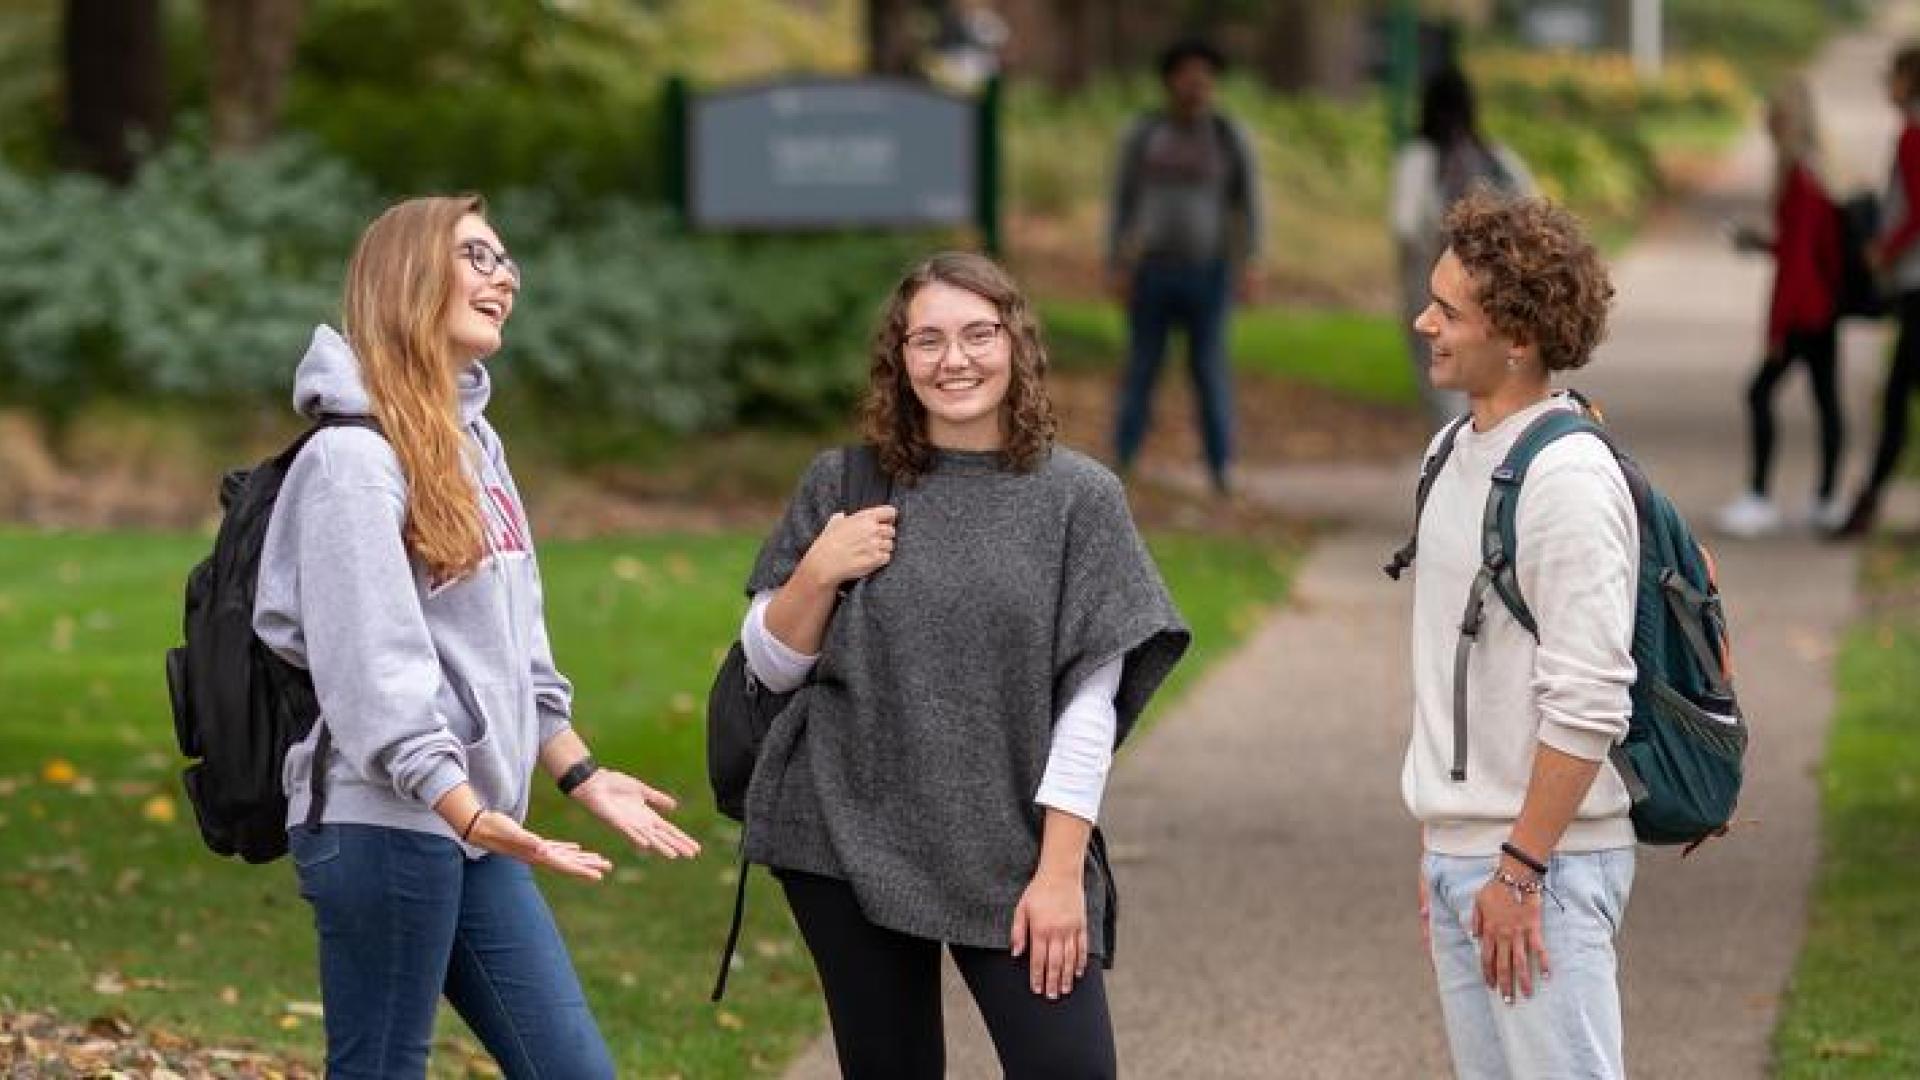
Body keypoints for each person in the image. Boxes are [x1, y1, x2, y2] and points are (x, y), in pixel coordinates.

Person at [253, 194, 702, 1078]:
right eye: (480, 257)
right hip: (384, 819)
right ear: (412, 277)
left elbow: (515, 650)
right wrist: (470, 810)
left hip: (474, 826)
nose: (508, 277)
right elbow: (374, 678)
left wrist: (581, 774)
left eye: (507, 262)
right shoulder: (352, 462)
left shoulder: (474, 447)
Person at [738, 252, 1190, 1078]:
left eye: (978, 334)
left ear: (1015, 344)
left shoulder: (1077, 499)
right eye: (929, 341)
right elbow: (768, 671)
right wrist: (818, 568)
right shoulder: (843, 482)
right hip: (844, 831)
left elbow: (1091, 702)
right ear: (899, 360)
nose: (955, 361)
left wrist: (1059, 874)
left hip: (1010, 845)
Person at [1405, 192, 1636, 1079]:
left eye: (1448, 310)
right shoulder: (1450, 452)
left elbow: (1588, 702)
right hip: (1474, 859)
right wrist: (1446, 849)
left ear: (1518, 337)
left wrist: (1517, 869)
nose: (1423, 320)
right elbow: (1454, 678)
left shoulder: (1568, 479)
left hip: (1547, 869)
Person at [1109, 37, 1263, 496]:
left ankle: (1220, 467)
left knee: (1210, 371)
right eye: (1187, 73)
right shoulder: (1144, 135)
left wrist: (1251, 262)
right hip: (1152, 271)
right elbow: (1122, 201)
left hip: (1208, 272)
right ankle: (1125, 457)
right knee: (1141, 366)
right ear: (1170, 80)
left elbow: (1248, 204)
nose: (1196, 84)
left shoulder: (1227, 136)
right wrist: (1115, 261)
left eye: (1205, 75)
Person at [1717, 76, 1847, 538]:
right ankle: (1827, 499)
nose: (1766, 123)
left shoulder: (1799, 179)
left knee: (1760, 393)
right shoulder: (1815, 172)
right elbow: (1804, 249)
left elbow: (1796, 264)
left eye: (1773, 115)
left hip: (1802, 310)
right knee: (1827, 400)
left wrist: (1774, 333)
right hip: (1821, 306)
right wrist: (1762, 243)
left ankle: (1761, 496)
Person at [1391, 66, 1536, 428]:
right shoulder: (1497, 158)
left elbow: (1406, 225)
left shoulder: (1419, 159)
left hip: (1435, 285)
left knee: (1443, 380)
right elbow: (1533, 207)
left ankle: (1457, 446)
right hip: (1498, 292)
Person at [1838, 42, 1920, 537]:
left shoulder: (1913, 133)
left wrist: (1884, 250)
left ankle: (1866, 503)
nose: (1888, 87)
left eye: (1893, 76)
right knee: (1897, 397)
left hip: (1916, 285)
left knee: (1896, 398)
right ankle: (1866, 501)